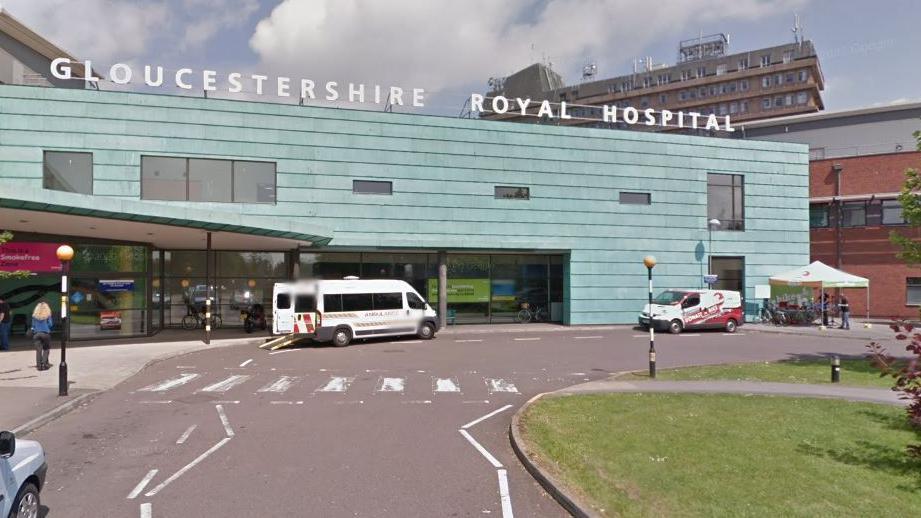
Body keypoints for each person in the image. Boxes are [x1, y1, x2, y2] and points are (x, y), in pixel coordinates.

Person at [31, 301, 54, 371]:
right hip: (45, 334)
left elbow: (33, 326)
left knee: (38, 351)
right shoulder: (48, 315)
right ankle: (44, 364)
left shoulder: (34, 316)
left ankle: (39, 366)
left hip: (36, 334)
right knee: (46, 349)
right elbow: (50, 325)